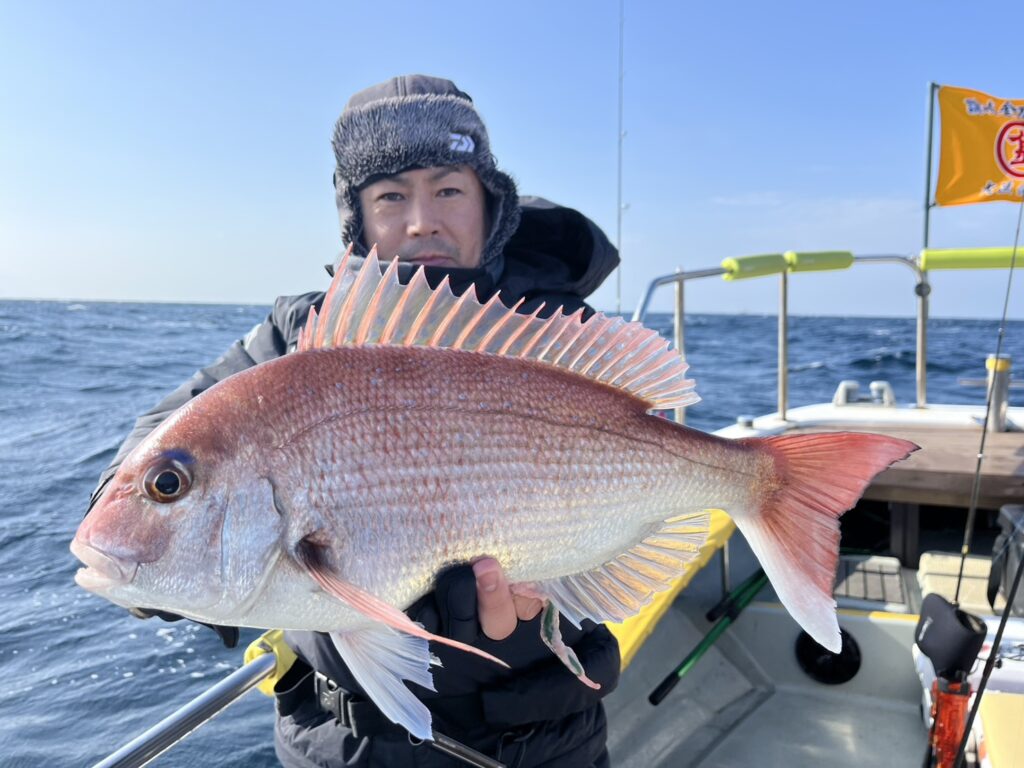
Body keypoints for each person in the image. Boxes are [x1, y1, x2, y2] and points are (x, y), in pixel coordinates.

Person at [87, 74, 622, 767]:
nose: (421, 220)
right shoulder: (295, 343)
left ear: (491, 205)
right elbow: (155, 456)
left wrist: (559, 583)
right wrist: (159, 559)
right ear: (357, 219)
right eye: (390, 196)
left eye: (449, 190)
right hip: (342, 745)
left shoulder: (558, 335)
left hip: (544, 742)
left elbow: (645, 454)